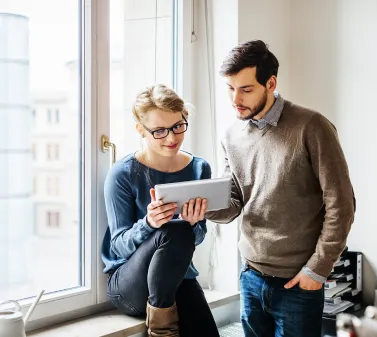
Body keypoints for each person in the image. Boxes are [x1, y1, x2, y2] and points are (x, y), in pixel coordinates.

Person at [205, 40, 356, 337]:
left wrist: (318, 269)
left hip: (298, 281)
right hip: (250, 276)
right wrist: (202, 208)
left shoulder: (312, 126)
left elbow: (342, 203)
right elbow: (234, 200)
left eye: (246, 89)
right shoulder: (231, 135)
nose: (236, 99)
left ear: (270, 83)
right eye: (230, 88)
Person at [101, 84, 219, 337]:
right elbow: (118, 247)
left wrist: (193, 223)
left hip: (177, 279)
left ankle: (164, 321)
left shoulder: (199, 169)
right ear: (140, 130)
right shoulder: (123, 173)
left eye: (178, 126)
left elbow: (195, 239)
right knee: (172, 231)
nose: (172, 138)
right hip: (130, 285)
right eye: (159, 131)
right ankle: (161, 332)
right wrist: (149, 223)